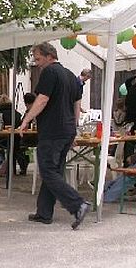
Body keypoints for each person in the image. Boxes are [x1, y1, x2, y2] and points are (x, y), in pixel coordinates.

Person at [19, 42, 90, 229]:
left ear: (50, 56)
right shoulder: (70, 76)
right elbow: (77, 105)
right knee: (54, 172)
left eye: (38, 57)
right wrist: (74, 129)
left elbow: (42, 99)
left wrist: (26, 119)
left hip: (52, 131)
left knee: (48, 171)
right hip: (66, 130)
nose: (36, 61)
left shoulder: (50, 72)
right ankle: (44, 213)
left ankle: (78, 204)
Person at [0, 94, 29, 176]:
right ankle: (7, 167)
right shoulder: (16, 113)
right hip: (17, 139)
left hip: (4, 139)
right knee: (12, 149)